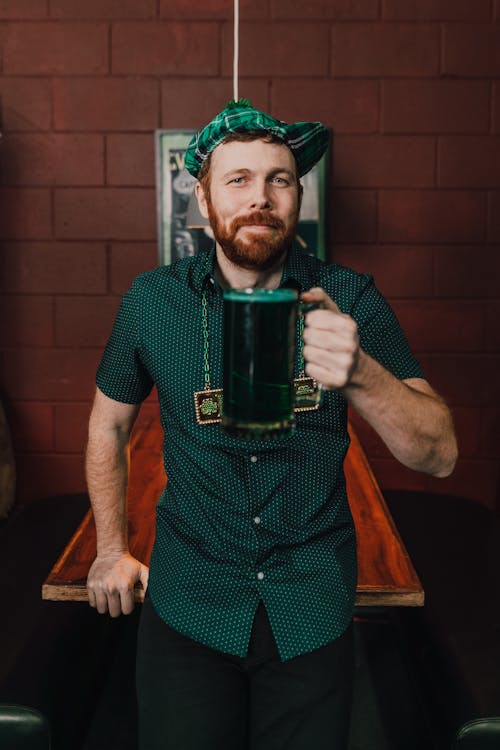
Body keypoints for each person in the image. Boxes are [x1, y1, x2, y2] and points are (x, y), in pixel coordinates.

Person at [86, 100, 457, 750]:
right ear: (203, 203)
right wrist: (112, 549)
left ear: (297, 197)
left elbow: (440, 454)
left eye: (278, 180)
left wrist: (362, 373)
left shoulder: (351, 298)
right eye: (238, 180)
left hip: (309, 606)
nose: (260, 197)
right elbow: (107, 427)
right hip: (189, 602)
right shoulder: (152, 302)